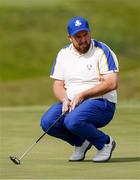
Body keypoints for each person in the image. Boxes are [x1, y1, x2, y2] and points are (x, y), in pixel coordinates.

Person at [40, 16, 119, 162]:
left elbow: (112, 83)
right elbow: (58, 84)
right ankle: (81, 142)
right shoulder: (63, 54)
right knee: (47, 122)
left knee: (72, 121)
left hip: (102, 102)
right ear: (70, 38)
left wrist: (82, 95)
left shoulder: (101, 50)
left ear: (90, 33)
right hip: (72, 102)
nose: (83, 40)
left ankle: (105, 143)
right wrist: (64, 99)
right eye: (78, 37)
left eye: (85, 35)